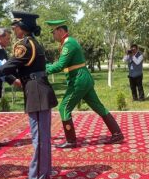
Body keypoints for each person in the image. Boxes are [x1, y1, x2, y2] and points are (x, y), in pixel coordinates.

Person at [0, 12, 58, 179]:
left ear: (22, 27)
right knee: (43, 137)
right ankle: (44, 173)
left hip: (36, 92)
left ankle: (37, 177)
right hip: (38, 89)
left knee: (39, 137)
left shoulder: (24, 44)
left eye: (15, 27)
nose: (14, 30)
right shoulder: (33, 42)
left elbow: (11, 64)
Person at [45, 20, 124, 148]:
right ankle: (117, 134)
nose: (52, 35)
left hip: (79, 80)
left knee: (64, 108)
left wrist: (44, 69)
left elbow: (60, 65)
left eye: (53, 32)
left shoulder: (68, 43)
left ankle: (71, 141)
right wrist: (48, 66)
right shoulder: (68, 42)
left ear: (60, 31)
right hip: (83, 78)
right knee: (98, 106)